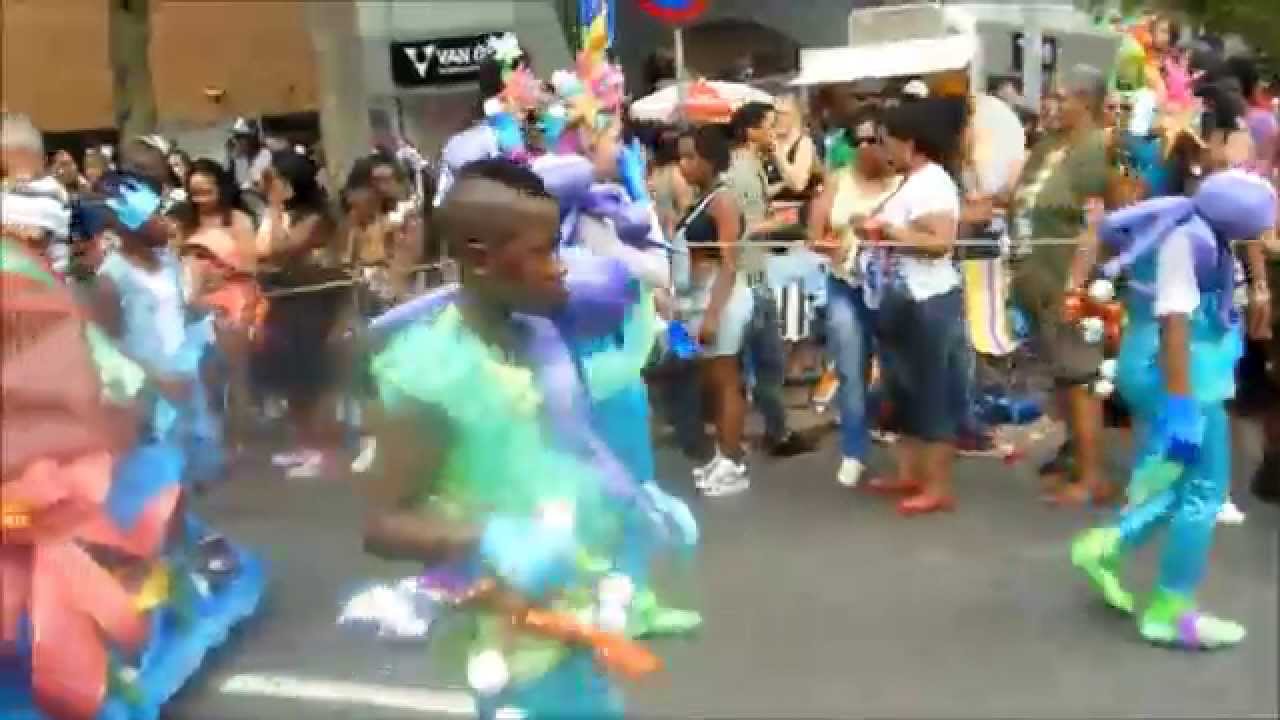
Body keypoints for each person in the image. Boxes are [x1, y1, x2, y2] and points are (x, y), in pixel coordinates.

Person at [363, 158, 655, 720]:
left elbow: (559, 444)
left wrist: (627, 498)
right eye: (543, 251)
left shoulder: (536, 332)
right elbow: (383, 524)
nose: (560, 268)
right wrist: (494, 537)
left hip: (574, 611)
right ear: (480, 258)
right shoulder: (430, 370)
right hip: (509, 641)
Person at [1070, 170, 1276, 650]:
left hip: (1176, 370)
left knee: (1184, 483)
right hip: (1179, 374)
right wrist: (1182, 405)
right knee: (1204, 490)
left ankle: (1106, 545)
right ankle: (1170, 610)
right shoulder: (1190, 242)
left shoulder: (1196, 230)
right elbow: (1175, 327)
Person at [1010, 65, 1116, 506]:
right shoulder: (1050, 145)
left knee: (1081, 379)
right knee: (1063, 379)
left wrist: (1076, 286)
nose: (1051, 104)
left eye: (1061, 97)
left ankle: (1093, 478)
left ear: (1085, 102)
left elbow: (1095, 225)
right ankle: (1075, 462)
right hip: (1038, 282)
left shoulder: (1098, 150)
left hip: (1071, 286)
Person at [861, 98, 966, 516]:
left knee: (932, 393)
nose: (883, 150)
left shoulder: (934, 183)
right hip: (902, 297)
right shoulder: (911, 182)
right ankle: (910, 472)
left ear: (911, 143)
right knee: (903, 389)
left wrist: (891, 231)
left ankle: (937, 485)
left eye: (888, 141)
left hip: (929, 299)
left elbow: (941, 242)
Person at [807, 106, 902, 488]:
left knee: (899, 371)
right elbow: (814, 233)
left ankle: (888, 427)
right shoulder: (838, 180)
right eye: (857, 140)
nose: (865, 147)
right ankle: (854, 450)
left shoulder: (904, 182)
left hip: (893, 289)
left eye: (873, 139)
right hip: (845, 285)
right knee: (850, 370)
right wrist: (827, 245)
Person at [726, 101, 816, 458]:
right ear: (750, 132)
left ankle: (774, 432)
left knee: (765, 361)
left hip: (753, 273)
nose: (774, 131)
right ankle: (769, 434)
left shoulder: (751, 167)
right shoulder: (741, 172)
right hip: (747, 277)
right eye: (768, 125)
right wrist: (777, 223)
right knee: (764, 361)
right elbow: (740, 227)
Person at [253, 149, 345, 479]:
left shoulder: (316, 219)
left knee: (311, 379)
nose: (269, 186)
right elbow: (258, 255)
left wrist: (275, 207)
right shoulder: (279, 216)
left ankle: (324, 450)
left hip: (313, 303)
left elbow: (281, 251)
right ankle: (304, 445)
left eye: (274, 180)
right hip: (285, 302)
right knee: (291, 378)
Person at [676, 125, 755, 496]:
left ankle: (732, 461)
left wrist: (712, 314)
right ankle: (723, 455)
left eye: (690, 157)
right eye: (681, 157)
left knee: (726, 381)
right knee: (713, 379)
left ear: (709, 160)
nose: (683, 165)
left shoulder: (723, 201)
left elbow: (729, 263)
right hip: (700, 297)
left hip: (720, 298)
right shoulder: (702, 199)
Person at [177, 158, 260, 460]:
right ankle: (212, 437)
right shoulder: (186, 223)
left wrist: (219, 272)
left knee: (236, 372)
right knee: (203, 372)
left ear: (221, 189)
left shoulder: (237, 220)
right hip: (195, 301)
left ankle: (239, 439)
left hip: (234, 298)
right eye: (194, 192)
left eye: (206, 191)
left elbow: (250, 266)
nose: (200, 199)